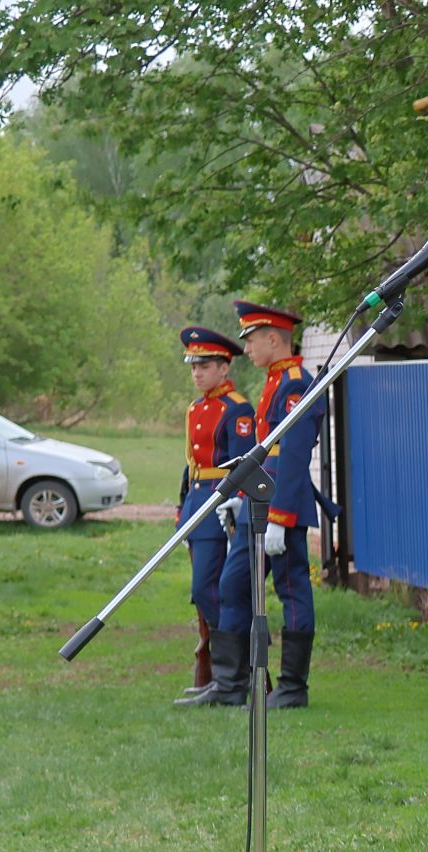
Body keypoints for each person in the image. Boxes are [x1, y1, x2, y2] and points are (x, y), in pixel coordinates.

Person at [183, 299, 325, 709]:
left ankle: (292, 687)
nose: (246, 349)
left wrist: (280, 517)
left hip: (282, 506)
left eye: (251, 340)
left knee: (291, 590)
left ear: (273, 338)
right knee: (232, 584)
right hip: (256, 503)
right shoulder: (276, 380)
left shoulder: (296, 383)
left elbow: (294, 456)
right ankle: (230, 684)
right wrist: (238, 494)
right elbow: (263, 454)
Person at [172, 326, 252, 704]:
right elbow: (191, 464)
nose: (197, 373)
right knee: (205, 591)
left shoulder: (237, 408)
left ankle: (233, 676)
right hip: (198, 504)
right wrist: (182, 506)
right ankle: (223, 676)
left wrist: (235, 503)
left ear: (224, 367)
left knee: (217, 589)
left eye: (205, 366)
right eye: (193, 367)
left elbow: (244, 463)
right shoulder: (195, 409)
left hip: (222, 504)